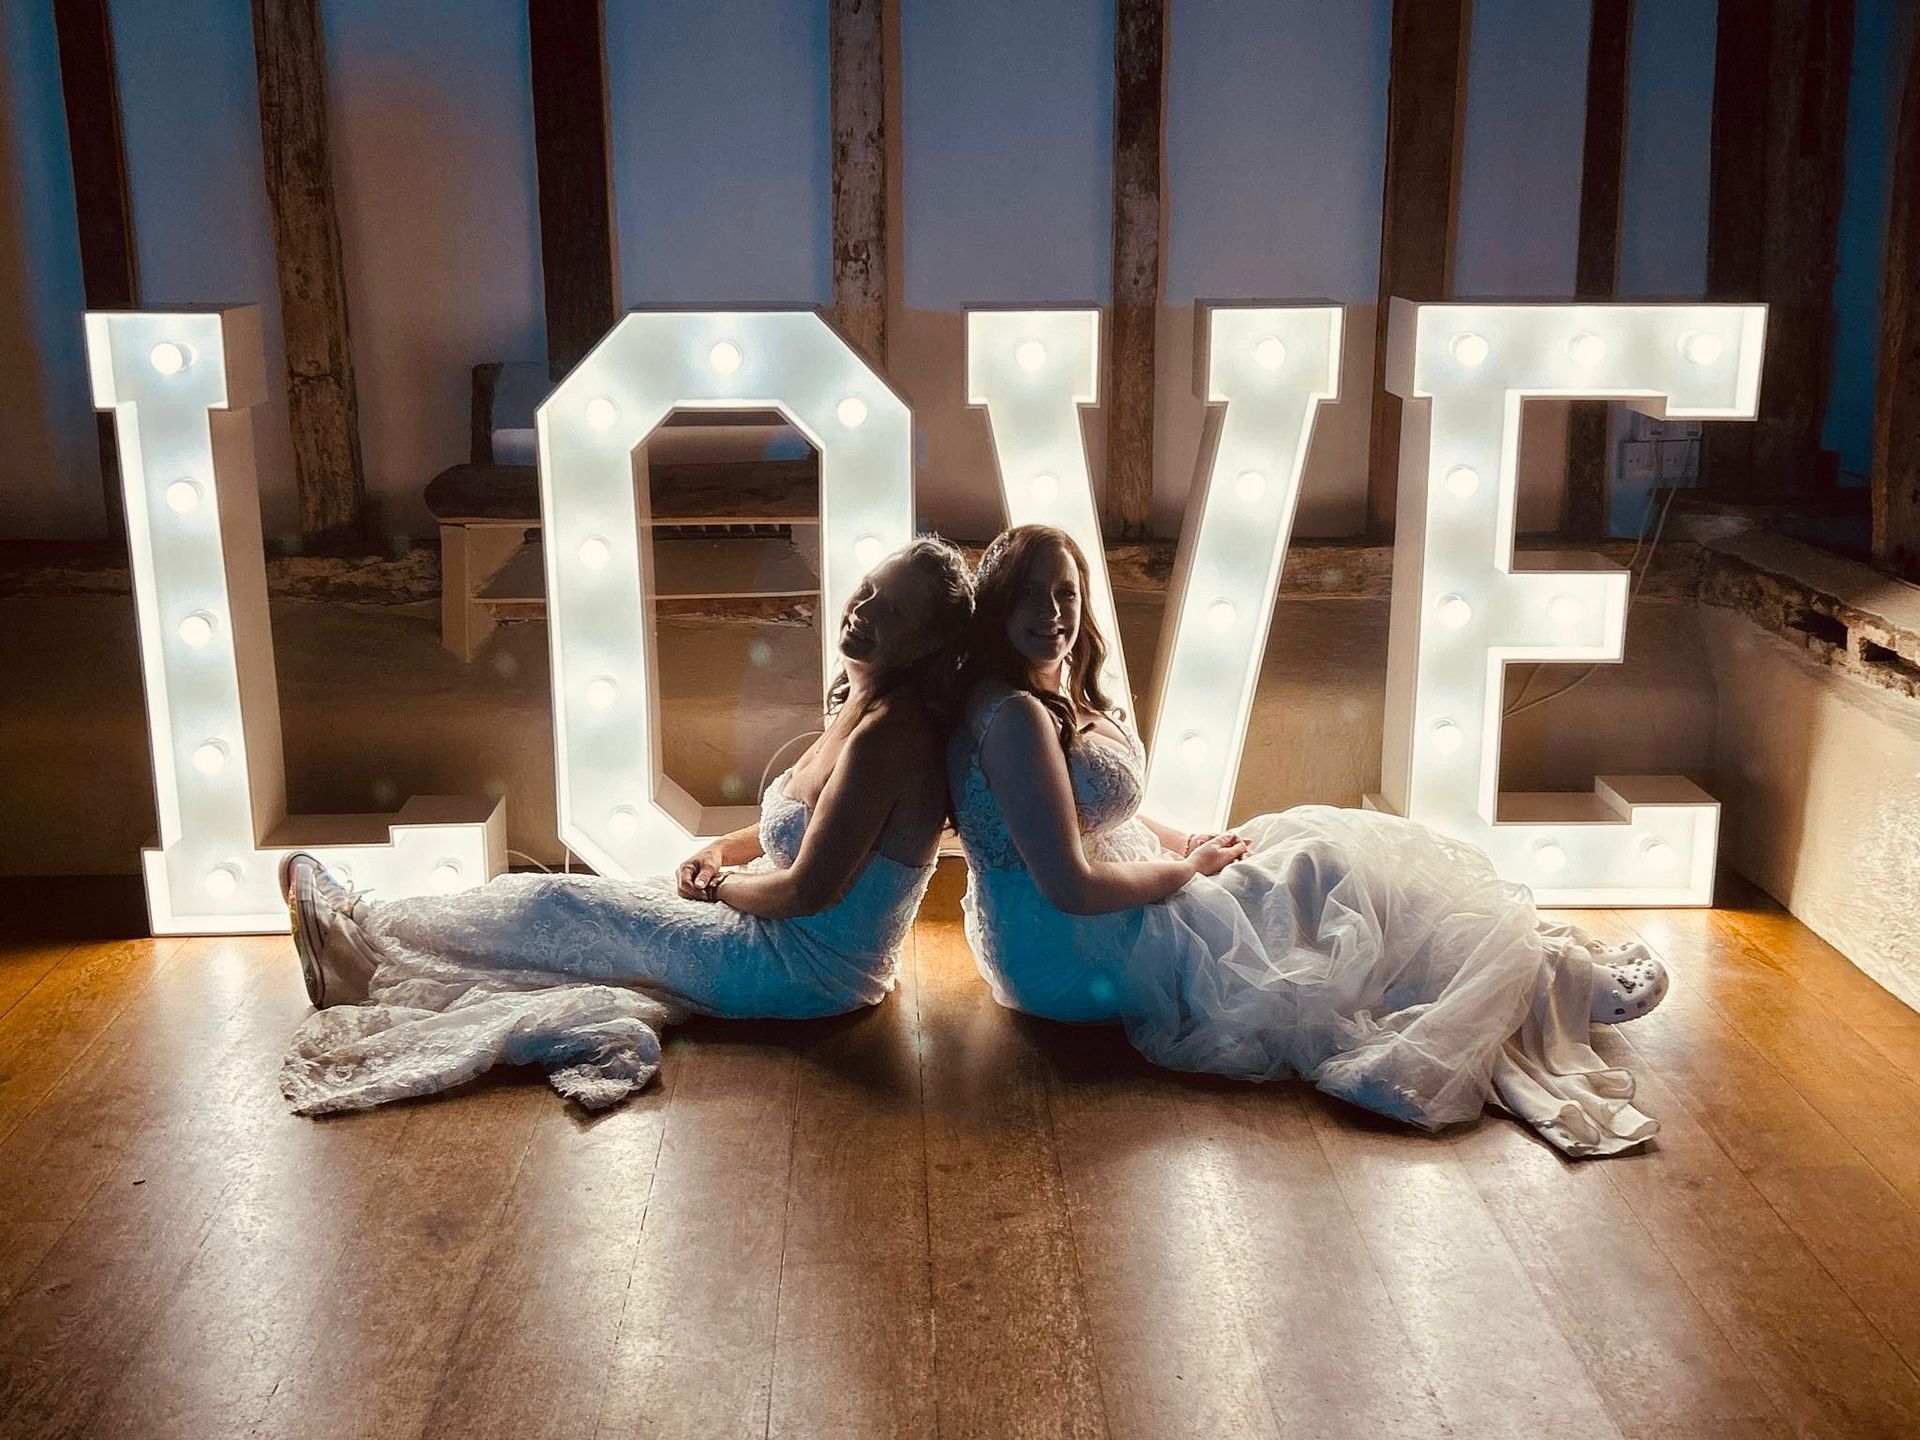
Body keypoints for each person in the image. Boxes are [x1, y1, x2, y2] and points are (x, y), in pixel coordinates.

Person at [945, 524, 1667, 1157]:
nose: (1052, 614)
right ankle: (1534, 981)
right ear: (997, 605)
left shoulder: (1046, 693)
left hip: (1090, 909)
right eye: (1030, 595)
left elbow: (1097, 817)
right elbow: (1070, 885)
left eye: (1066, 594)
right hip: (1071, 949)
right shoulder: (1015, 718)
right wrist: (1188, 869)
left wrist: (1190, 839)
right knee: (1318, 867)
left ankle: (1516, 958)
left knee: (1289, 845)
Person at [279, 536, 972, 1114]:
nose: (864, 610)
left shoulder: (892, 736)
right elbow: (802, 826)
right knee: (584, 913)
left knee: (561, 900)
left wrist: (718, 887)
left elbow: (805, 891)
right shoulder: (863, 703)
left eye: (895, 608)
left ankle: (358, 938)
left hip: (800, 969)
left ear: (925, 644)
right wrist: (718, 850)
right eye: (868, 590)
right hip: (777, 933)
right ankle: (364, 942)